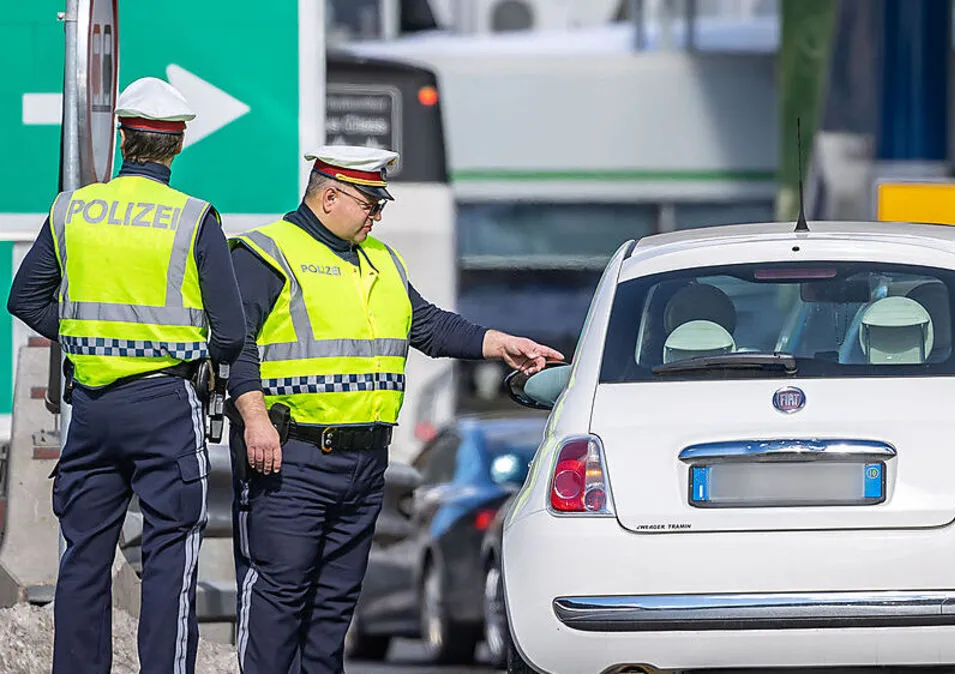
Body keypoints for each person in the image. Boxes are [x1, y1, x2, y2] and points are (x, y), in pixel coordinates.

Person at [226, 144, 562, 673]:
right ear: (329, 196)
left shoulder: (381, 260)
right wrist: (253, 417)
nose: (377, 215)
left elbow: (426, 325)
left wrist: (499, 343)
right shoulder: (265, 253)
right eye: (369, 203)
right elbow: (232, 343)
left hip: (363, 466)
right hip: (290, 461)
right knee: (278, 602)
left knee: (332, 613)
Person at [6, 77, 246, 674]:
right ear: (179, 142)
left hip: (90, 409)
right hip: (166, 403)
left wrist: (86, 336)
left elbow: (26, 298)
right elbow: (232, 333)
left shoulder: (73, 209)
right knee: (171, 552)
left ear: (122, 138)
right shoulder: (194, 219)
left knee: (83, 554)